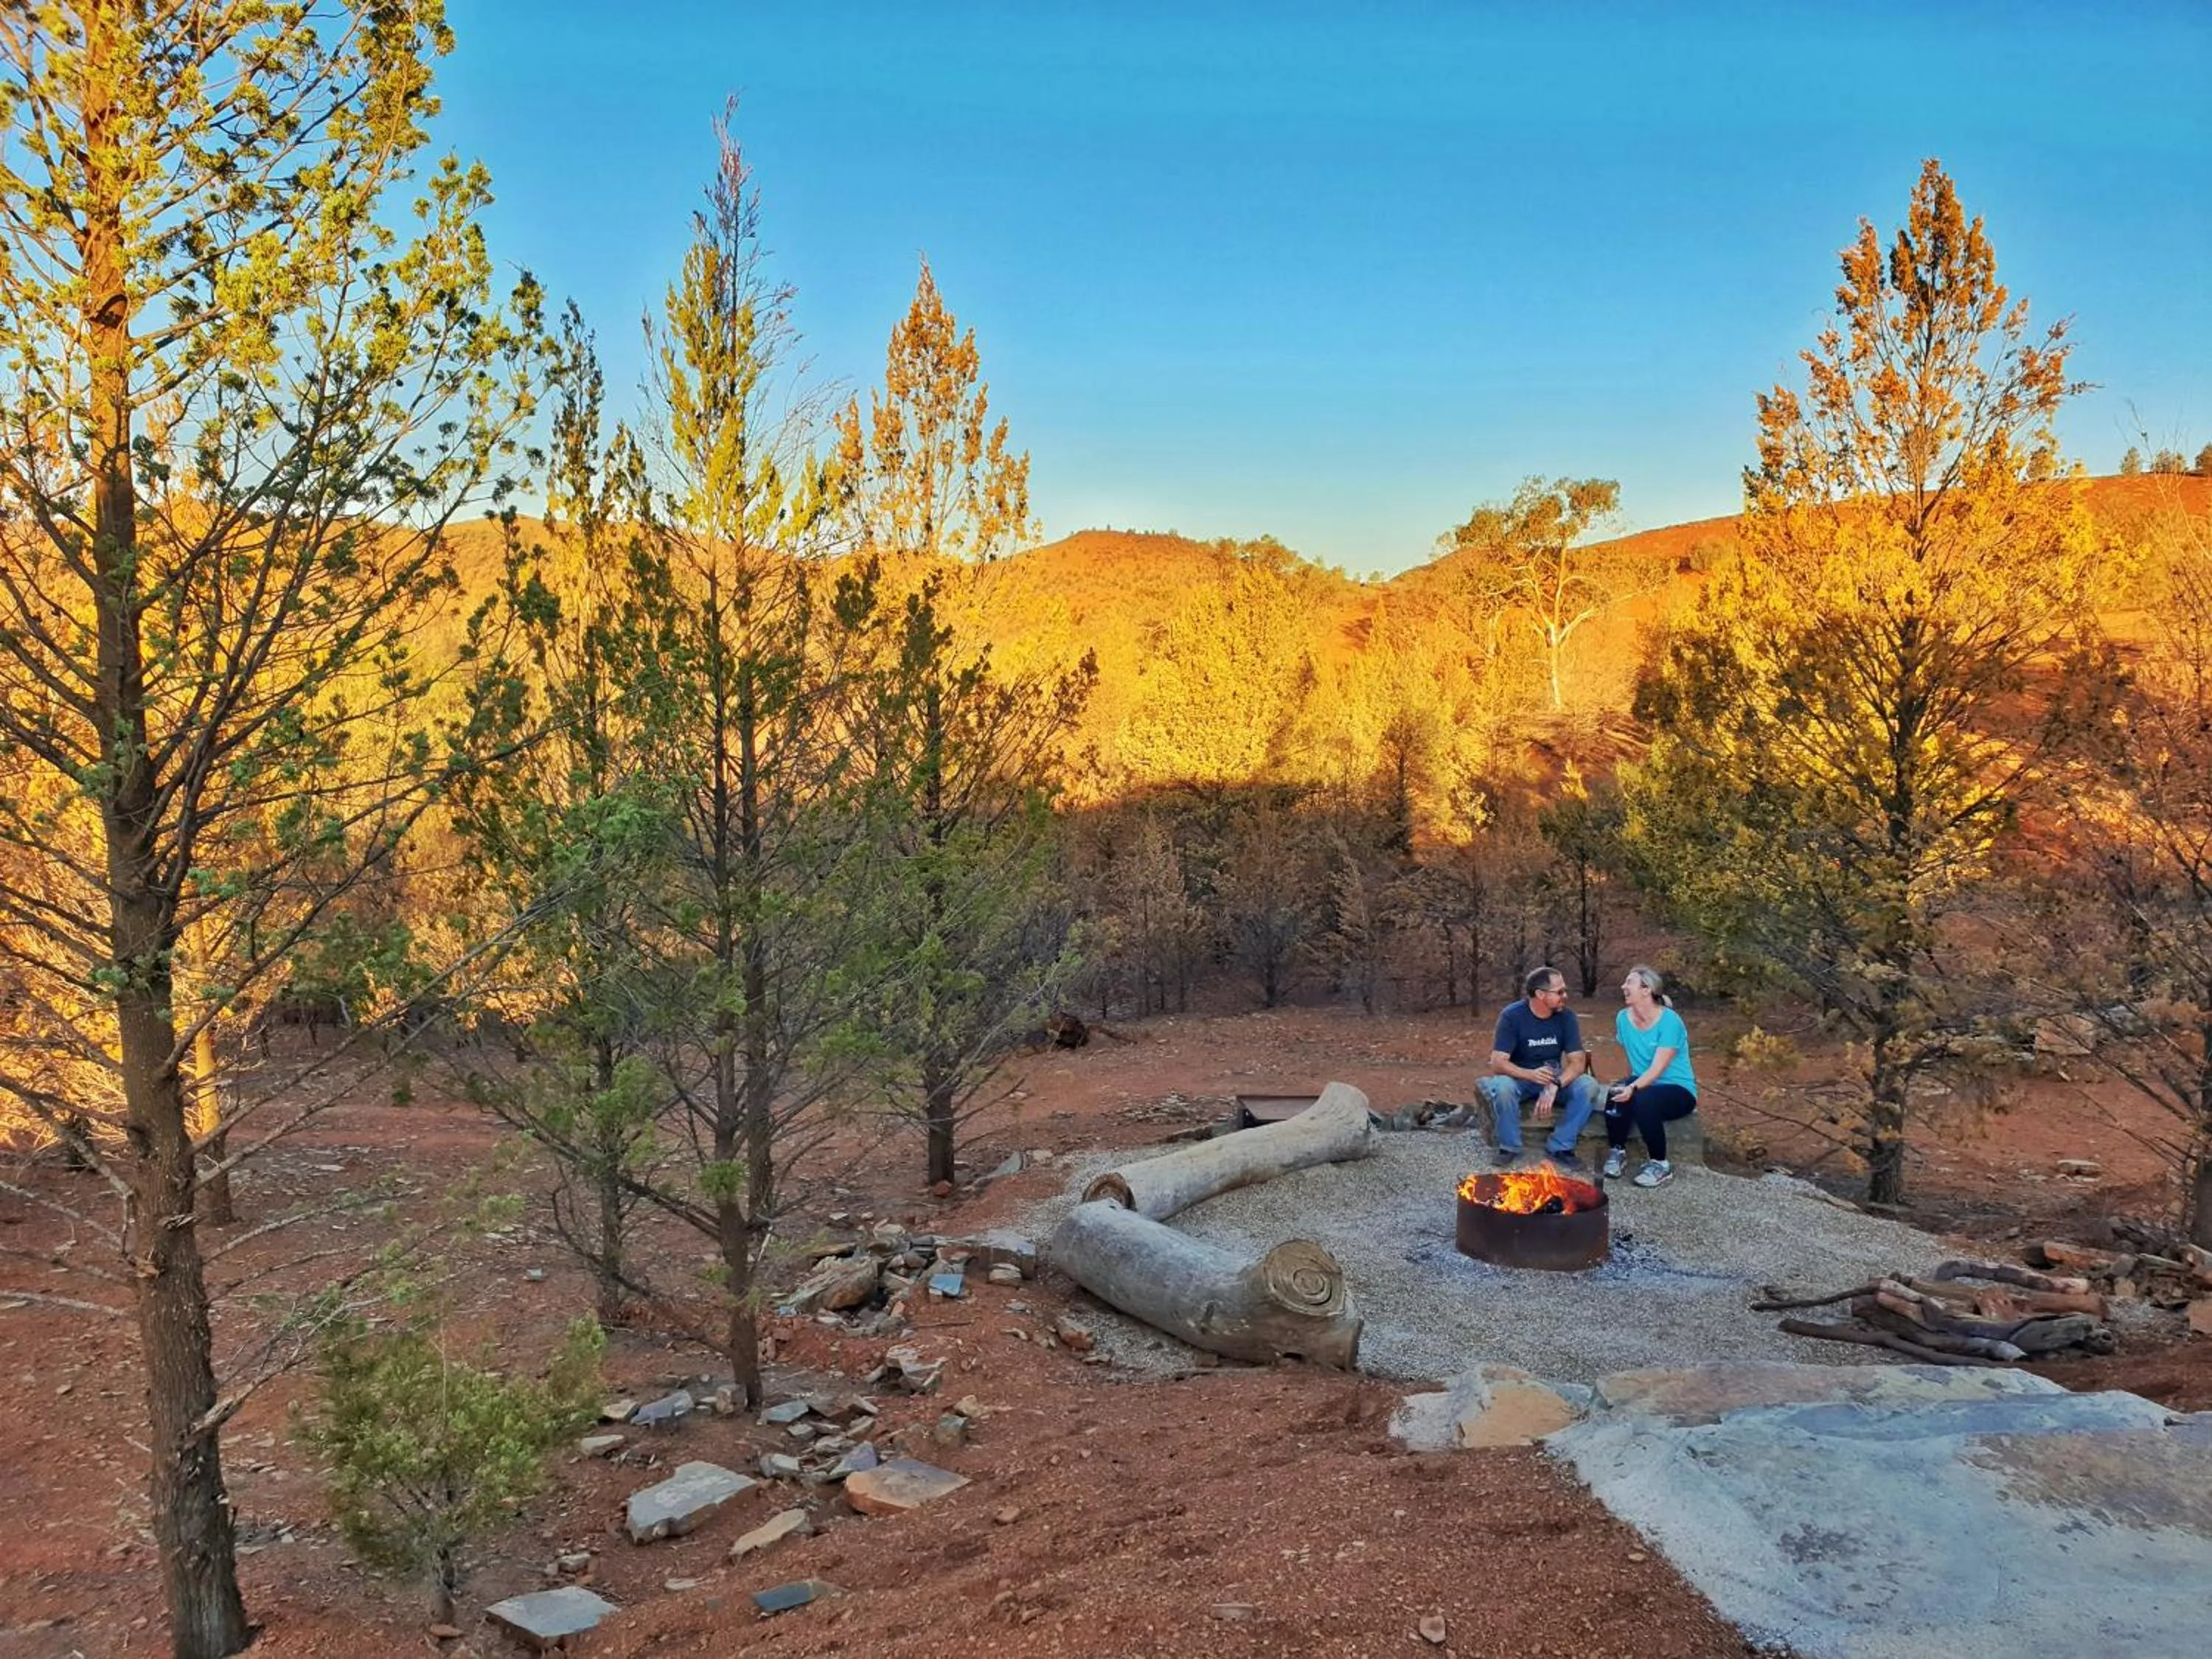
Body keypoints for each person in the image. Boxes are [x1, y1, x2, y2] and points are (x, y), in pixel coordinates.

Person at [1478, 966, 1601, 1166]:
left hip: (1553, 1076)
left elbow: (1578, 1062)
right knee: (1502, 1087)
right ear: (1540, 994)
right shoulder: (1512, 1016)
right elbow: (1498, 1063)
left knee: (1588, 1086)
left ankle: (1561, 1145)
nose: (1565, 996)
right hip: (1519, 1077)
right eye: (1559, 992)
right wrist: (1530, 1075)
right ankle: (1509, 1147)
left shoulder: (1566, 1017)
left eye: (1565, 991)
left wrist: (1556, 1085)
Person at [1602, 964, 1698, 1188]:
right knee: (1615, 1091)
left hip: (1678, 1089)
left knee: (1642, 1099)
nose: (1623, 986)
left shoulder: (1670, 1022)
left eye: (1629, 982)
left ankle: (1660, 1164)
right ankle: (1617, 1151)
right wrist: (1627, 1085)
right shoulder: (1622, 1019)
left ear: (1646, 990)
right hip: (1644, 1082)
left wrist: (1633, 1088)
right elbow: (1636, 1061)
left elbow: (1657, 1070)